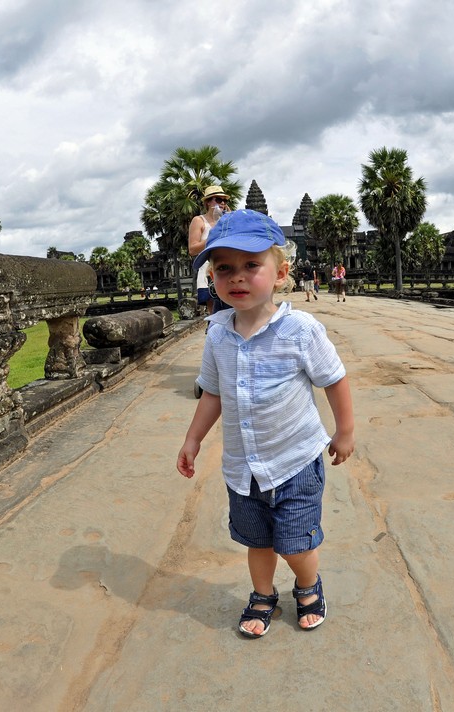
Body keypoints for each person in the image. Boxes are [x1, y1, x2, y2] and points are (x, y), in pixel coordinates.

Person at [176, 209, 355, 638]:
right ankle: (262, 595)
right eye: (224, 269)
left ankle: (308, 584)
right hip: (244, 468)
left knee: (296, 542)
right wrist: (193, 438)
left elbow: (334, 378)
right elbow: (213, 393)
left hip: (295, 459)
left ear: (280, 273)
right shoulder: (217, 334)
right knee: (257, 542)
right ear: (214, 279)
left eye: (251, 265)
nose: (237, 278)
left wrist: (344, 431)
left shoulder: (300, 330)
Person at [188, 185, 230, 315]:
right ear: (207, 202)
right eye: (218, 199)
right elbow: (192, 249)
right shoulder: (199, 220)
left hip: (229, 267)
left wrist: (229, 220)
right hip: (209, 271)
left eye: (224, 200)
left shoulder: (227, 220)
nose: (222, 203)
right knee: (215, 314)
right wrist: (213, 238)